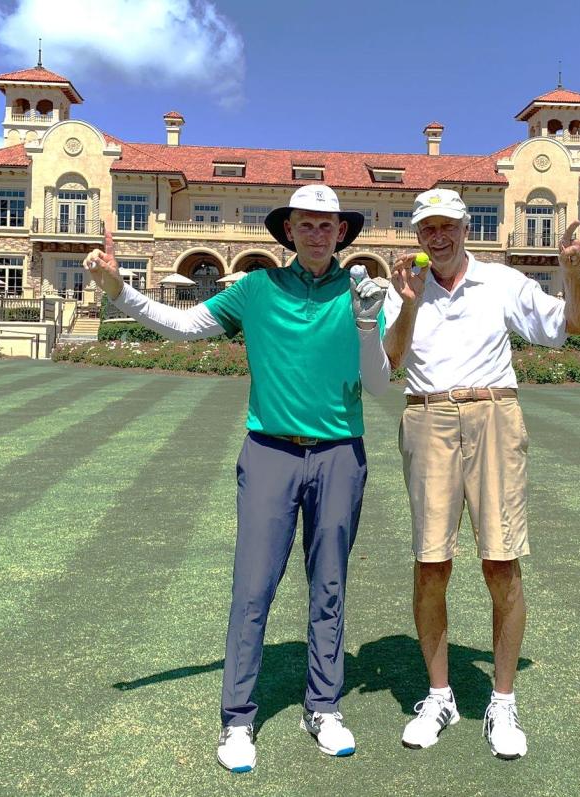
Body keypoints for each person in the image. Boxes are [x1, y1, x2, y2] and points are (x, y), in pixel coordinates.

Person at [83, 184, 390, 773]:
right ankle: (238, 719)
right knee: (252, 589)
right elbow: (185, 324)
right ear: (290, 232)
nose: (319, 232)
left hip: (340, 455)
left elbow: (378, 386)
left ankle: (323, 707)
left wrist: (369, 324)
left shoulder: (361, 291)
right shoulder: (255, 288)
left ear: (343, 234)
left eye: (329, 225)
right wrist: (118, 291)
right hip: (270, 451)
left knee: (329, 587)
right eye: (307, 223)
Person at [382, 188, 580, 760]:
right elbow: (391, 360)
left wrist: (570, 274)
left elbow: (574, 325)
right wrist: (406, 301)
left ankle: (501, 702)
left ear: (465, 228)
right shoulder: (400, 287)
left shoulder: (500, 281)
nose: (438, 236)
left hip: (494, 414)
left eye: (448, 225)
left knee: (501, 561)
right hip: (427, 415)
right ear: (418, 236)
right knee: (432, 562)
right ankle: (439, 695)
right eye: (428, 229)